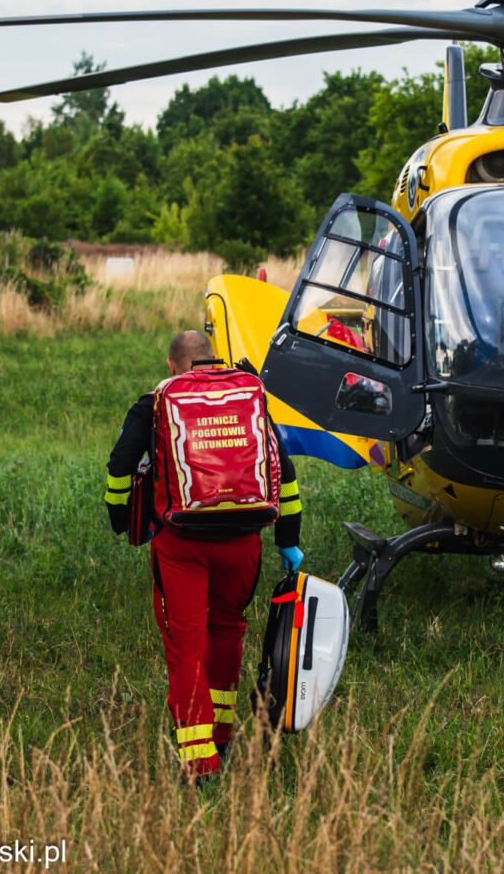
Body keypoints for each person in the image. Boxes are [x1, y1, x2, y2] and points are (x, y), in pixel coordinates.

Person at [105, 330, 302, 778]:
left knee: (186, 646)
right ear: (214, 359)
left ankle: (199, 762)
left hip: (181, 546)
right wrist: (287, 538)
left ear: (172, 366)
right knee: (228, 634)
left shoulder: (155, 402)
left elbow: (120, 466)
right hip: (243, 543)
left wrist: (120, 517)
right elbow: (282, 469)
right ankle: (222, 736)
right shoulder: (247, 395)